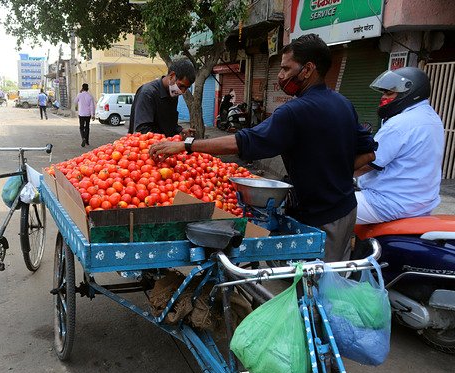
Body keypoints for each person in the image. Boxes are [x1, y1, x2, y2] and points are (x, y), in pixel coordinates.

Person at [149, 34, 377, 262]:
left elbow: (241, 142)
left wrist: (186, 145)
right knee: (335, 275)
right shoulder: (344, 104)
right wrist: (335, 173)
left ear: (308, 69)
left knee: (318, 287)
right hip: (347, 210)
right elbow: (368, 152)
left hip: (321, 219)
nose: (280, 76)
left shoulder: (294, 112)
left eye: (286, 69)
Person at [354, 67, 444, 224]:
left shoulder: (400, 124)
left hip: (389, 204)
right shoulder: (431, 117)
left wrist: (333, 172)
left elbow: (366, 164)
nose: (383, 98)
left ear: (408, 93)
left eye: (389, 93)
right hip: (420, 203)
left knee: (317, 204)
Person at [128, 60, 196, 139]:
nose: (182, 91)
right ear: (172, 76)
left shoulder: (173, 94)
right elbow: (142, 130)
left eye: (186, 88)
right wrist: (166, 141)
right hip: (145, 147)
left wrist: (180, 131)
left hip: (165, 147)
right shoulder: (147, 93)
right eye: (181, 86)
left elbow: (169, 125)